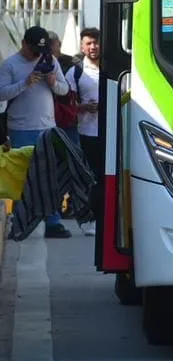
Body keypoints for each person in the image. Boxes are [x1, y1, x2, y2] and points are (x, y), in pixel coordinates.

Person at [0, 26, 72, 237]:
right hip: (21, 127)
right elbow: (2, 93)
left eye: (40, 51)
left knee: (50, 175)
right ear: (24, 44)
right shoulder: (10, 65)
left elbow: (64, 89)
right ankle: (21, 221)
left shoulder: (50, 61)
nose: (37, 55)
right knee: (22, 177)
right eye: (33, 51)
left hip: (46, 126)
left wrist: (52, 82)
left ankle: (52, 221)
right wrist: (25, 83)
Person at [68, 28, 103, 236]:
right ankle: (89, 219)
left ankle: (106, 219)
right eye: (89, 43)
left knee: (107, 179)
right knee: (89, 179)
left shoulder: (113, 68)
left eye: (96, 43)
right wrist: (82, 108)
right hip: (86, 134)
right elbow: (65, 104)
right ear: (82, 46)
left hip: (111, 132)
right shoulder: (75, 72)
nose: (93, 47)